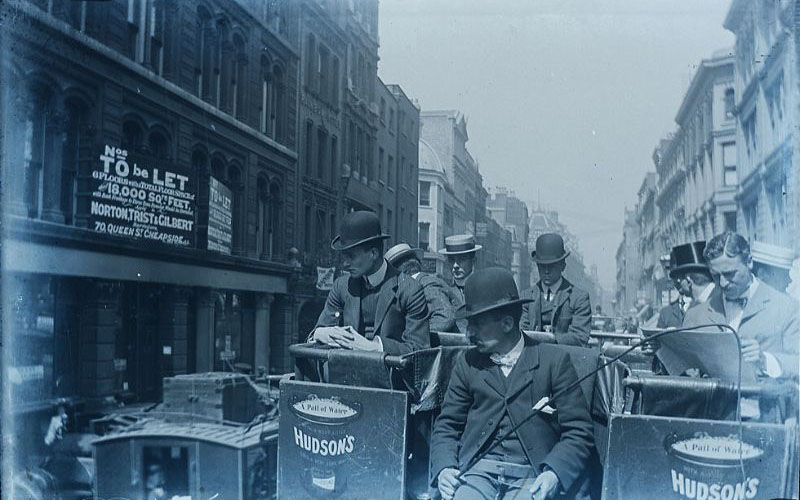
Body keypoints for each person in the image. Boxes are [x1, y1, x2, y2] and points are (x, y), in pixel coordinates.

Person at [430, 267, 594, 500]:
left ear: (507, 323)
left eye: (477, 324)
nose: (469, 333)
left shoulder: (553, 362)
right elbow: (447, 425)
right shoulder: (468, 362)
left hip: (532, 476)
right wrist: (445, 468)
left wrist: (554, 474)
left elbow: (579, 432)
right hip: (476, 473)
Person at [310, 211, 430, 355]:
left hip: (390, 375)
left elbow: (419, 350)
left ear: (374, 253)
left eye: (351, 256)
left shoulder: (410, 290)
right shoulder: (341, 286)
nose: (345, 264)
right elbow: (319, 330)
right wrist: (322, 333)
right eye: (343, 256)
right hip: (345, 372)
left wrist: (373, 347)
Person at [683, 232, 799, 379]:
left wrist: (765, 360)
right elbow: (683, 371)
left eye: (730, 274)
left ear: (749, 262)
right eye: (716, 275)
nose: (723, 283)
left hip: (761, 400)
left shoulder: (787, 308)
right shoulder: (695, 315)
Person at [521, 233, 592, 346]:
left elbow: (580, 337)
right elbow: (520, 332)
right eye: (542, 266)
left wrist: (550, 340)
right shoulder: (526, 297)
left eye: (552, 266)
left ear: (562, 266)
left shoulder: (579, 298)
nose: (546, 271)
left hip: (565, 359)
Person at [385, 242, 456, 333]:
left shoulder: (427, 284)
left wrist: (414, 335)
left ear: (399, 273)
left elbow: (444, 319)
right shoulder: (418, 285)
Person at [439, 234, 482, 332]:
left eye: (462, 260)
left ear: (474, 261)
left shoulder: (484, 289)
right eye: (451, 260)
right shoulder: (443, 290)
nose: (455, 266)